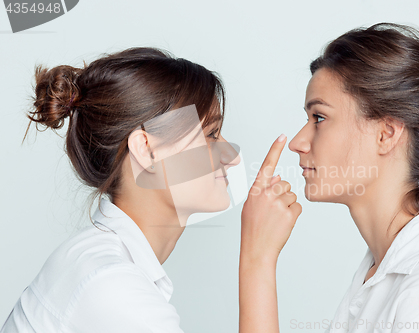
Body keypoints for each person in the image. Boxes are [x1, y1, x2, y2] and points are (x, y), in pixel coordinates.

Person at [239, 23, 419, 332]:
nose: (298, 142)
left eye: (319, 118)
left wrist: (257, 259)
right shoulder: (381, 268)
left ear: (386, 133)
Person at [1, 47, 242, 332]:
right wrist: (258, 258)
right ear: (147, 150)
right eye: (211, 135)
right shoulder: (111, 286)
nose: (232, 156)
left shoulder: (100, 264)